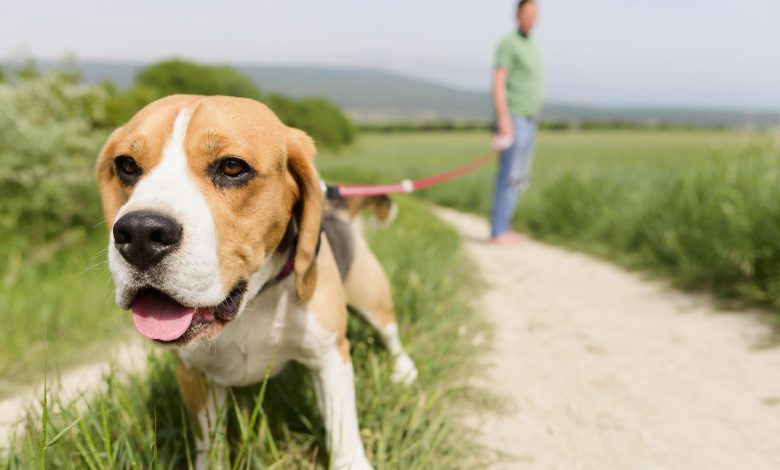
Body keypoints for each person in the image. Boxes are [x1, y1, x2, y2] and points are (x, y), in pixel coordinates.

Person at [489, 0, 543, 245]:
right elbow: (499, 81)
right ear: (517, 15)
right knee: (508, 174)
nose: (530, 17)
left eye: (534, 13)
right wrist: (504, 119)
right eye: (526, 13)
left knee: (519, 176)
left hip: (530, 119)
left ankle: (505, 227)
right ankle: (498, 231)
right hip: (514, 118)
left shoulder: (533, 45)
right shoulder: (508, 43)